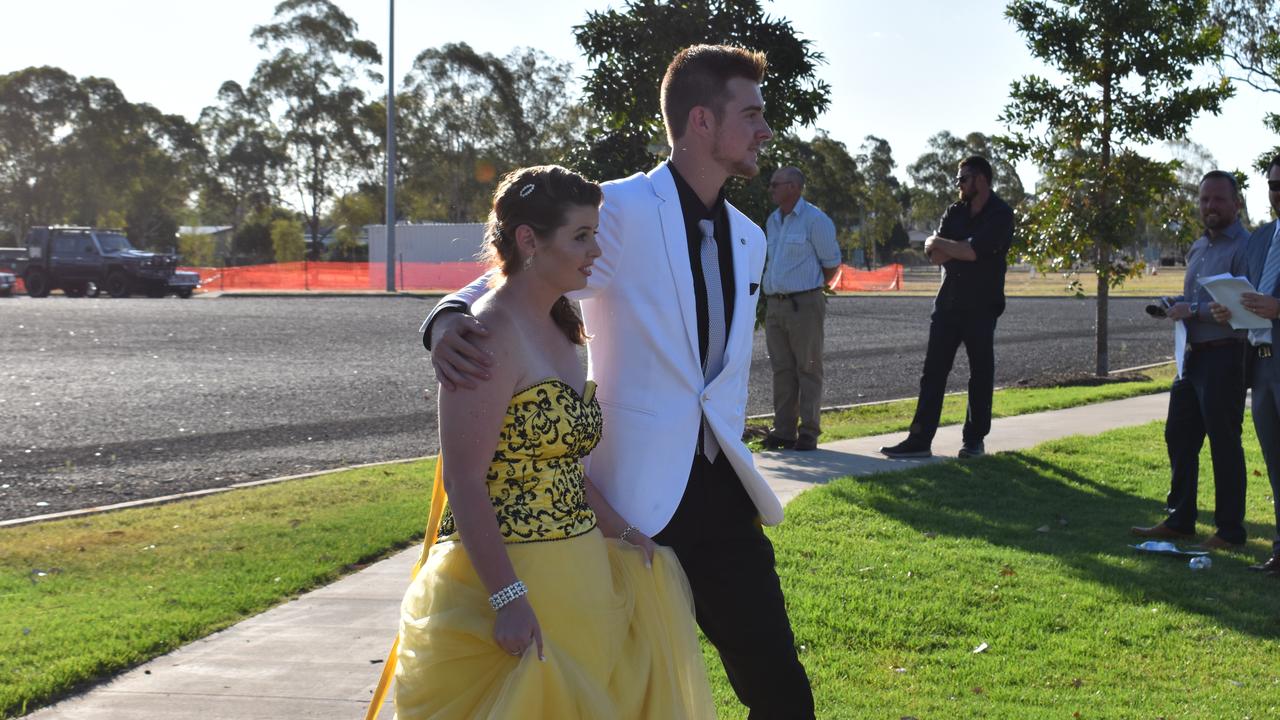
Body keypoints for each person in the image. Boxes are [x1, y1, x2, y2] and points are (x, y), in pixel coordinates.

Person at [423, 46, 815, 718]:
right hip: (625, 507)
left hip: (722, 493)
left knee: (781, 689)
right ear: (700, 121)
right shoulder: (622, 209)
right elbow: (514, 270)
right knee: (623, 700)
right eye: (750, 114)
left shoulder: (750, 237)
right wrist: (445, 319)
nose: (765, 130)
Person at [376, 166, 715, 719]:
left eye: (595, 234)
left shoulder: (564, 327)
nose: (596, 250)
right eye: (581, 236)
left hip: (581, 576)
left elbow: (563, 466)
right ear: (529, 240)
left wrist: (623, 531)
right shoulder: (483, 338)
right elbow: (464, 482)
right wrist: (507, 599)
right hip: (515, 581)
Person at [1132, 170, 1250, 551]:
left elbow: (1238, 306)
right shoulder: (1198, 248)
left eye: (1218, 199)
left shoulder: (1245, 248)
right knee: (1179, 437)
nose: (1209, 206)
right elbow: (1196, 302)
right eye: (1204, 200)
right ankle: (1180, 520)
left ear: (1236, 203)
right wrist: (1173, 306)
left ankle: (1230, 531)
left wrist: (1191, 309)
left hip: (1226, 357)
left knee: (1223, 444)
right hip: (1192, 358)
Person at [880, 156, 1014, 459]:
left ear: (981, 179)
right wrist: (950, 244)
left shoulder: (1001, 214)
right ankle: (919, 440)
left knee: (980, 373)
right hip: (948, 304)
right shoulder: (955, 211)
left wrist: (946, 243)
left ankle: (974, 440)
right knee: (933, 373)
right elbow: (936, 256)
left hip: (982, 306)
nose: (959, 185)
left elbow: (971, 252)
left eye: (964, 179)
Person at [1210, 155, 1280, 572]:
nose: (1278, 193)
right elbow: (1255, 299)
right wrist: (1230, 311)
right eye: (1273, 185)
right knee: (1275, 464)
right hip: (1262, 364)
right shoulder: (1260, 239)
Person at [760, 166, 841, 452]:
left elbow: (831, 263)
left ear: (794, 187)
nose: (770, 189)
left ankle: (808, 431)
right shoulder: (772, 221)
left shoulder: (815, 220)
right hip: (775, 305)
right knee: (782, 369)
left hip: (804, 303)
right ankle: (783, 431)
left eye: (775, 184)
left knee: (807, 368)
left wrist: (809, 290)